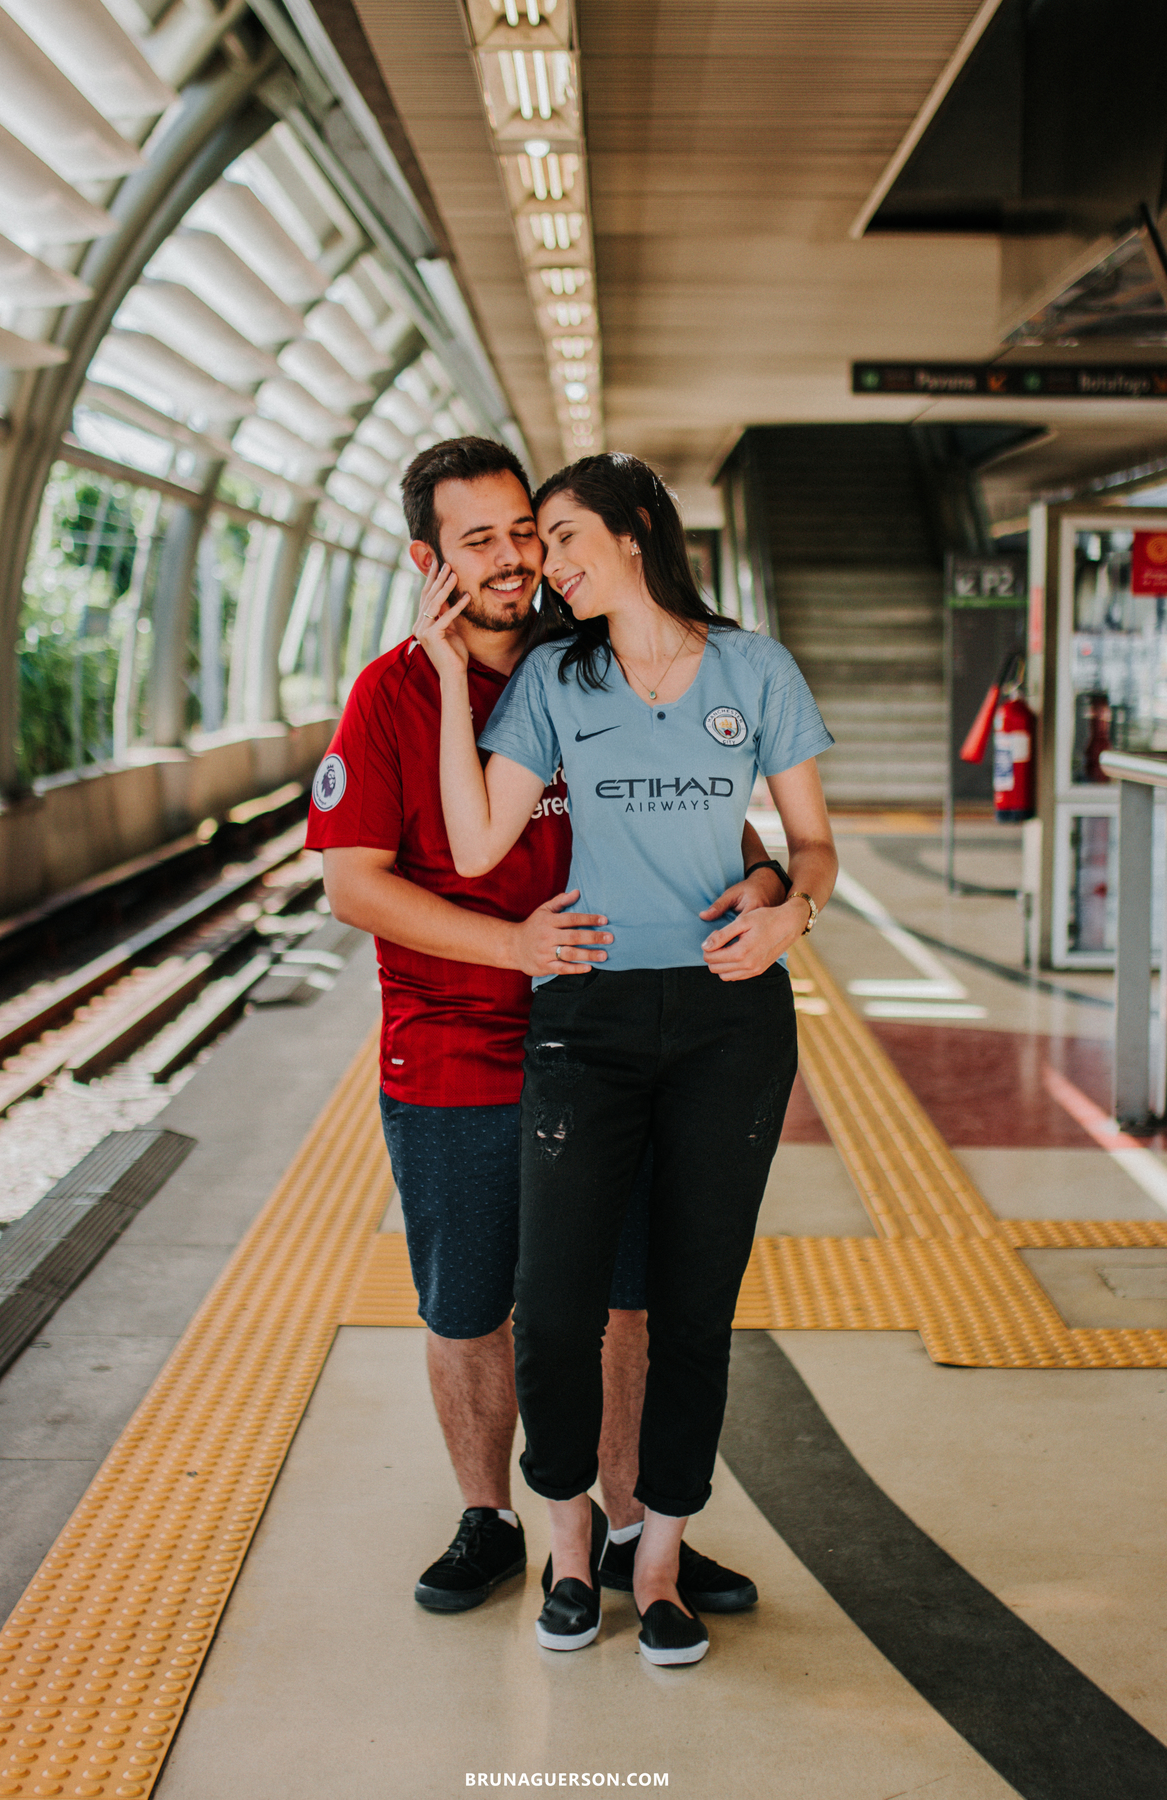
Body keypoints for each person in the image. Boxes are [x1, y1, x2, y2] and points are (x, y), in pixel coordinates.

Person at [309, 437, 782, 1618]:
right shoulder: (392, 695)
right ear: (428, 559)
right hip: (456, 1043)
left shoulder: (597, 661)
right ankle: (491, 1517)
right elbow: (355, 885)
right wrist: (509, 948)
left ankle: (627, 1533)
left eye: (526, 530)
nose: (516, 557)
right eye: (479, 541)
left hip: (616, 1036)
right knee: (471, 1300)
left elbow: (698, 804)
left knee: (625, 1301)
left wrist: (768, 879)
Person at [418, 451, 837, 1666]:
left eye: (558, 534)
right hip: (586, 1018)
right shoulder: (556, 674)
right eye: (538, 543)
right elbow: (479, 835)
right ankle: (566, 1543)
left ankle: (655, 1560)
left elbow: (812, 843)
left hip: (727, 1021)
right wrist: (451, 680)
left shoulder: (754, 668)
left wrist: (790, 913)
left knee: (694, 1308)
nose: (544, 562)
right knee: (554, 1305)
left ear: (637, 528)